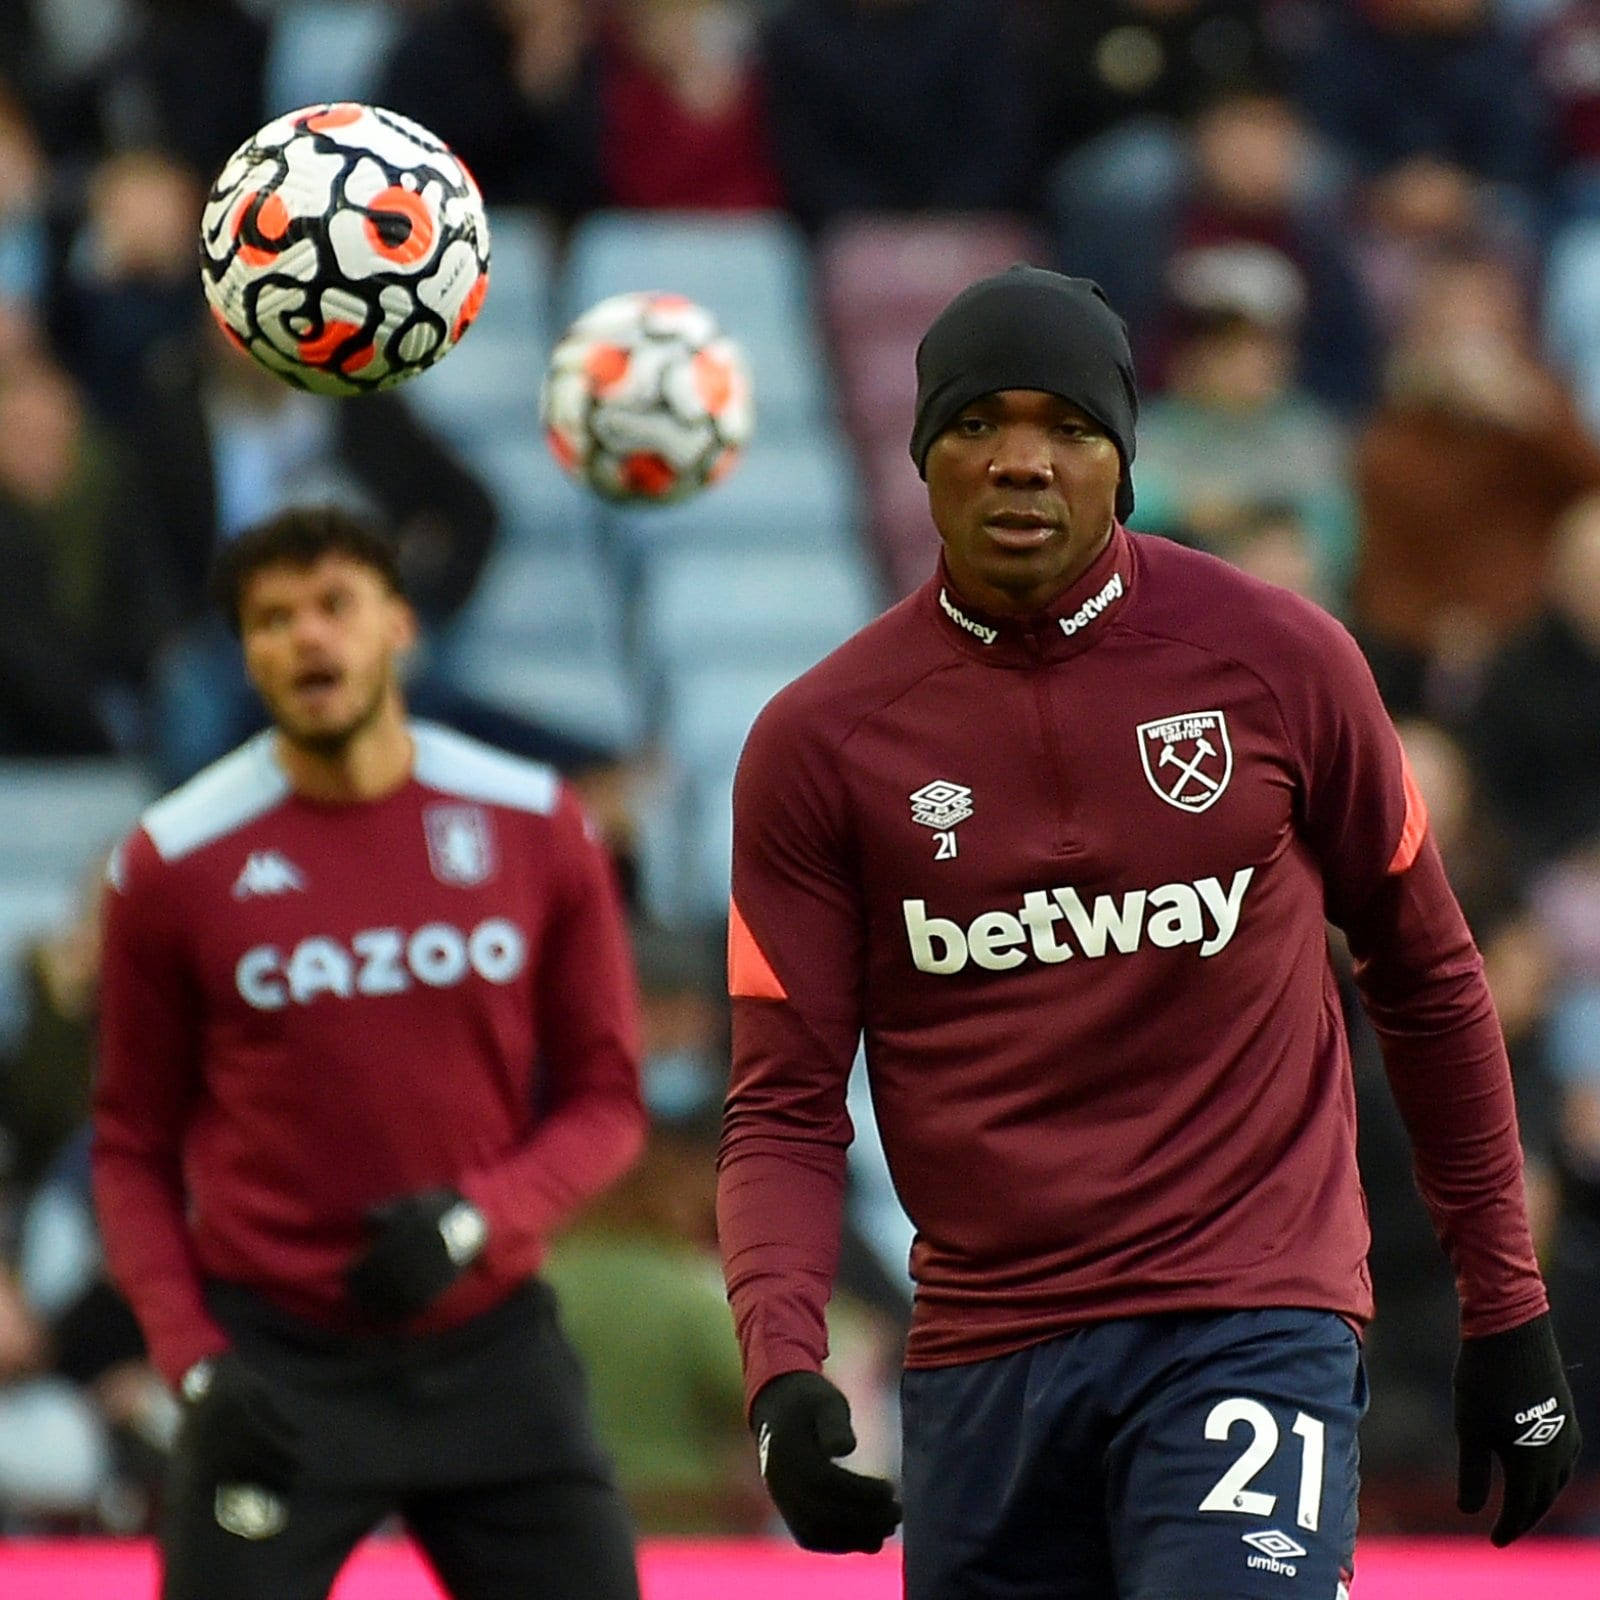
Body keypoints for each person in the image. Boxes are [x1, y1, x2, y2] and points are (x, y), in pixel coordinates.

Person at [716, 265, 1582, 1596]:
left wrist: (1508, 1310)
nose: (1019, 461)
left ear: (1121, 457)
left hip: (1247, 1318)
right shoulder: (821, 744)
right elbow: (782, 1103)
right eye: (976, 425)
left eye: (1064, 425)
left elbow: (1429, 977)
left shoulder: (1284, 662)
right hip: (986, 1357)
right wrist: (783, 1364)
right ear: (922, 457)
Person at [90, 506, 646, 1600]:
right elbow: (128, 1146)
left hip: (492, 1353)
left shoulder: (536, 822)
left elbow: (606, 1100)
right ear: (245, 653)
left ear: (399, 623)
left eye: (334, 605)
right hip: (277, 1363)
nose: (307, 638)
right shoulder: (174, 861)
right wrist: (194, 1363)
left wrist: (477, 1216)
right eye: (271, 619)